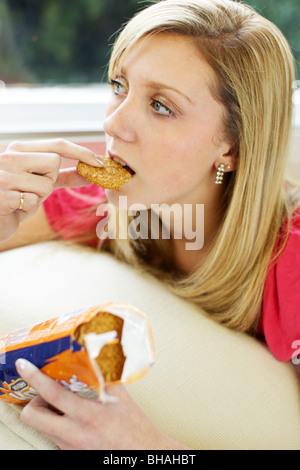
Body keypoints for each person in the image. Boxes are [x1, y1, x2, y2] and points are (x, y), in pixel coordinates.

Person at [0, 0, 299, 450]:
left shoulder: (290, 263)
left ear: (233, 147)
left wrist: (147, 451)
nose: (113, 123)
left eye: (161, 106)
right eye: (119, 85)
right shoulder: (110, 204)